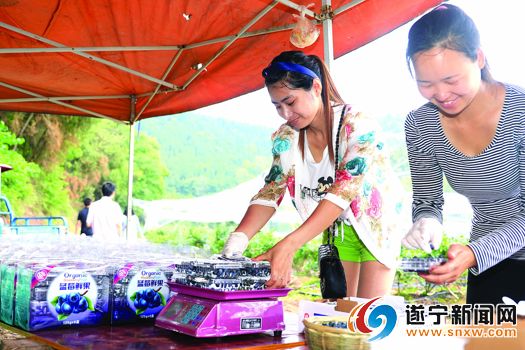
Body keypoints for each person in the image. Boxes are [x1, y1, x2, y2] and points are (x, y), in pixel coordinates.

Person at [222, 50, 402, 298]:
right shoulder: (286, 137)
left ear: (316, 87)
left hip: (375, 228)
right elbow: (271, 190)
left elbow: (345, 188)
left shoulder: (358, 124)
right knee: (337, 317)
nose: (286, 113)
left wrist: (289, 244)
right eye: (277, 106)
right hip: (335, 231)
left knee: (364, 321)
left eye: (290, 102)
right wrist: (239, 239)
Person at [401, 4, 525, 305]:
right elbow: (427, 200)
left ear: (479, 58)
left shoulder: (520, 113)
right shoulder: (421, 124)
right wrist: (427, 221)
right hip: (486, 263)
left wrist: (474, 253)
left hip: (480, 254)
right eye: (426, 83)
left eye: (451, 80)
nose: (441, 94)